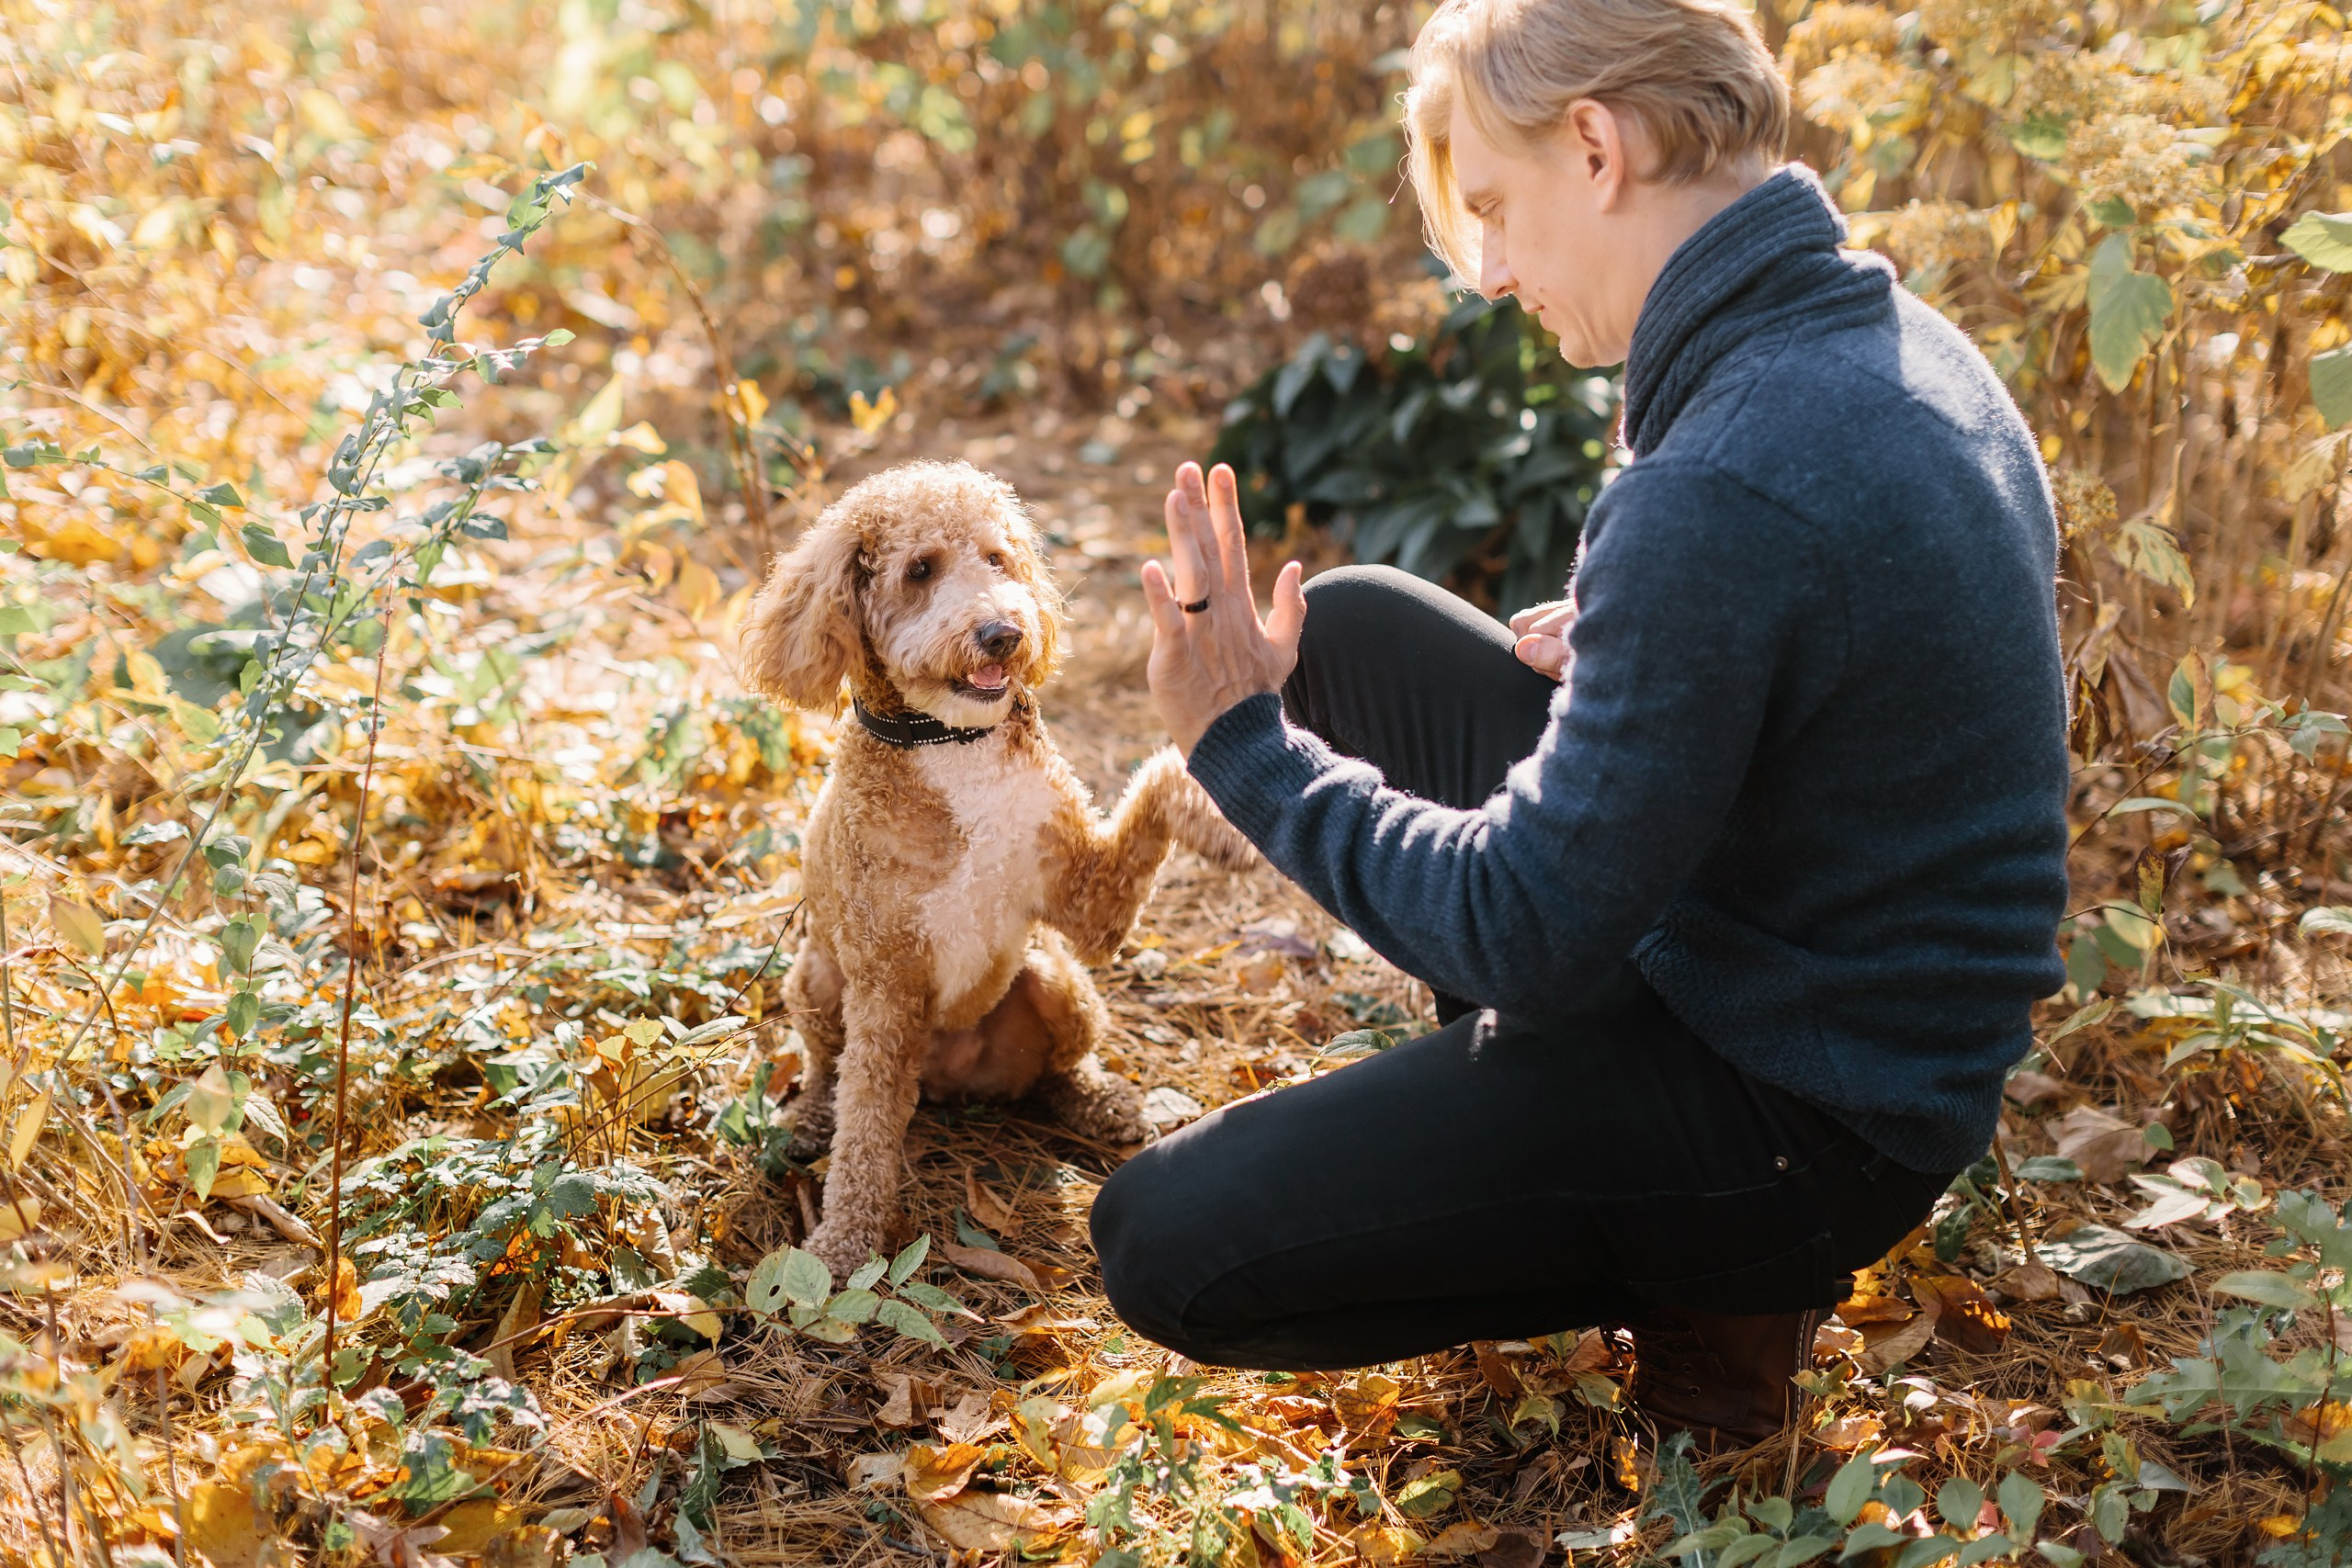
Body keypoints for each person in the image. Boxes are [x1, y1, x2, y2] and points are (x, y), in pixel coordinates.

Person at [1087, 0, 2070, 1451]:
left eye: (1493, 206)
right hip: (1813, 964)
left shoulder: (1729, 472)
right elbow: (1824, 649)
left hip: (1811, 1103)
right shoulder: (1879, 337)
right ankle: (1585, 1162)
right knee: (1352, 629)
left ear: (1597, 148)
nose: (1489, 270)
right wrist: (1632, 647)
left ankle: (1712, 1284)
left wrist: (1242, 740)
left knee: (1159, 1240)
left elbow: (1522, 926)